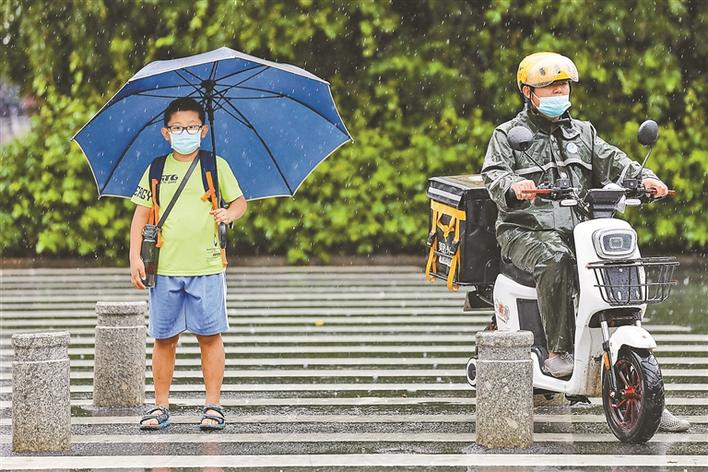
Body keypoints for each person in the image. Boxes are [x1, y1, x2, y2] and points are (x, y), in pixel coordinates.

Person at [481, 52, 689, 432]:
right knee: (557, 261)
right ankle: (559, 353)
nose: (559, 92)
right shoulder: (507, 135)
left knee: (614, 267)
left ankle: (648, 395)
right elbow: (494, 175)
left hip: (578, 228)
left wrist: (645, 178)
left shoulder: (584, 133)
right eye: (549, 87)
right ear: (529, 92)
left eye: (563, 86)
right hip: (525, 230)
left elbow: (616, 161)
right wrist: (515, 186)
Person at [129, 97, 247, 430]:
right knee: (164, 338)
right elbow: (141, 214)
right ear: (166, 133)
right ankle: (160, 406)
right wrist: (134, 256)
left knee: (210, 336)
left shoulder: (215, 165)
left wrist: (229, 213)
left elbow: (240, 202)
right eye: (178, 128)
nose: (185, 133)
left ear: (204, 130)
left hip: (207, 266)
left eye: (192, 127)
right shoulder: (156, 169)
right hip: (164, 267)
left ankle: (213, 405)